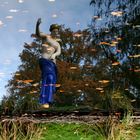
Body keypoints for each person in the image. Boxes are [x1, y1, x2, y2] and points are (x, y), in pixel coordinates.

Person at [35, 18, 61, 108]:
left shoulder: (57, 44)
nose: (55, 33)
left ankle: (48, 102)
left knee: (52, 80)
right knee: (48, 78)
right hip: (45, 60)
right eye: (54, 31)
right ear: (51, 31)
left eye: (57, 31)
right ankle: (44, 101)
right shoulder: (46, 37)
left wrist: (54, 55)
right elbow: (38, 34)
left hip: (52, 63)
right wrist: (37, 25)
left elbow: (59, 51)